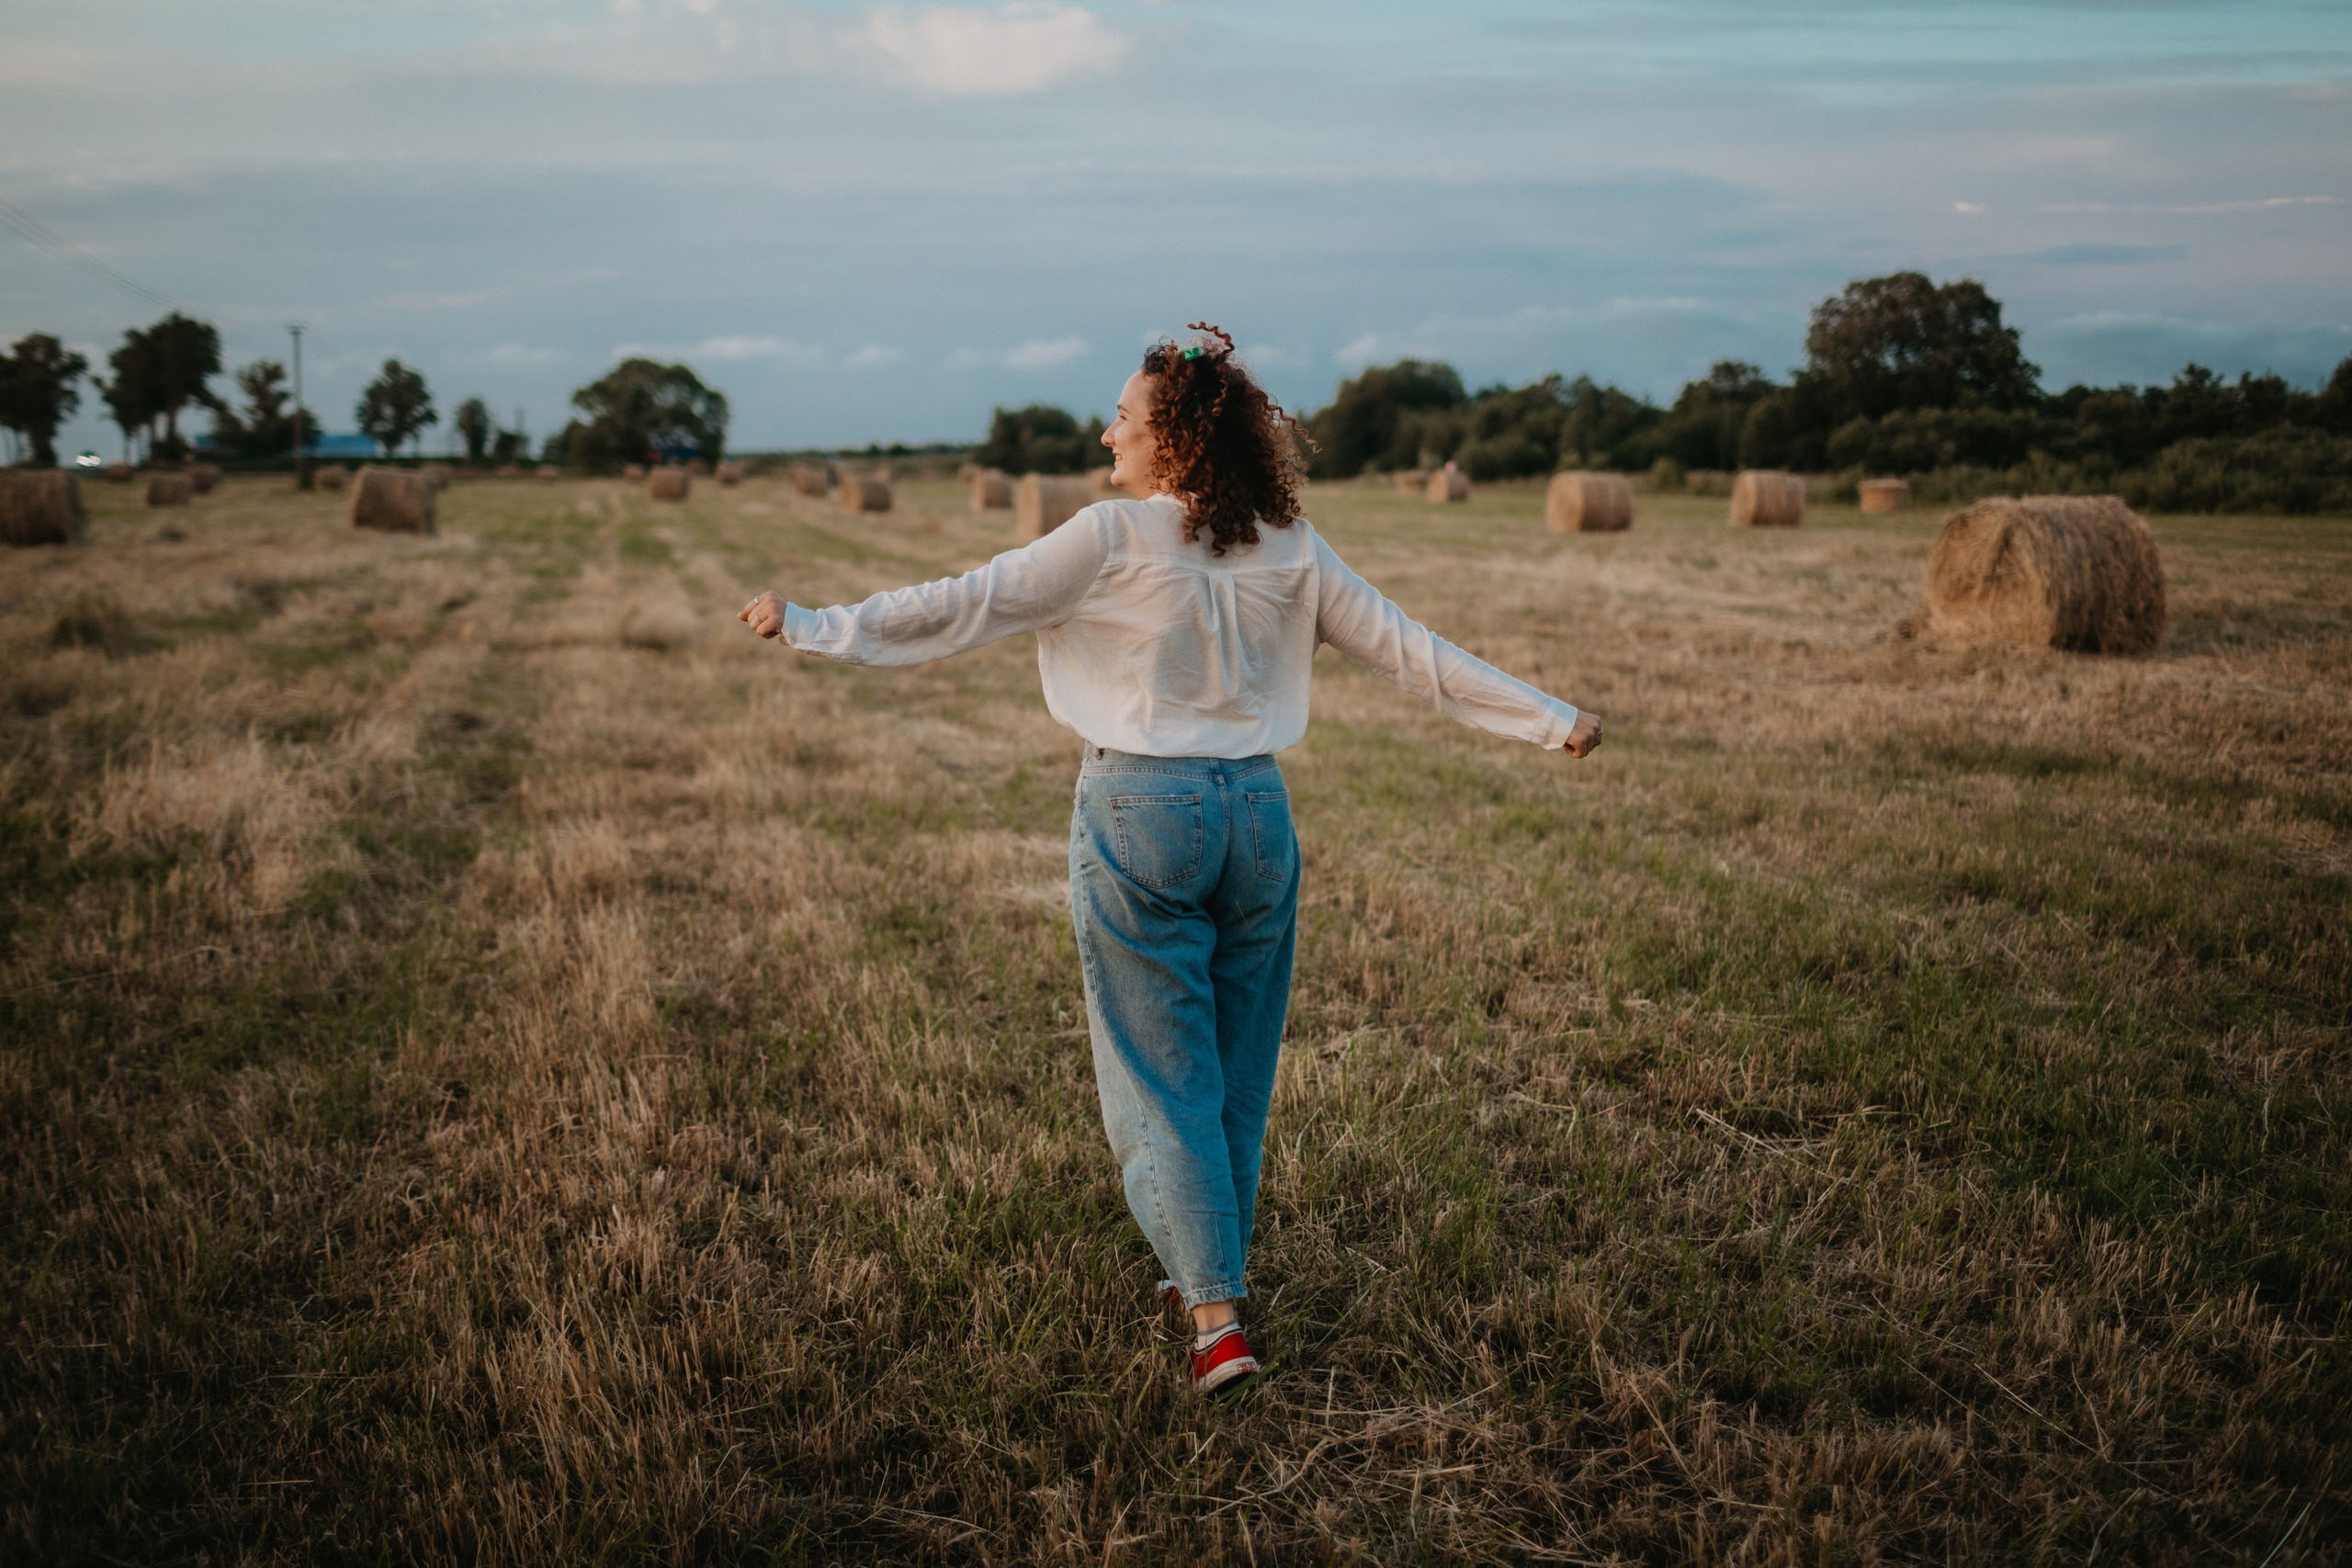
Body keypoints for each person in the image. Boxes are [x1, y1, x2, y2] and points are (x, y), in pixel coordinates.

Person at [741, 323, 1600, 1396]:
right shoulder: (1288, 543)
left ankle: (1215, 1319)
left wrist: (816, 623)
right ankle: (1210, 1269)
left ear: (1177, 442)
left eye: (1126, 418)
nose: (1108, 431)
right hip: (1257, 817)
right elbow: (1409, 651)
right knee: (1236, 1070)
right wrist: (1549, 716)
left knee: (1159, 1076)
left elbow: (965, 604)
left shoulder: (1108, 538)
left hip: (1142, 806)